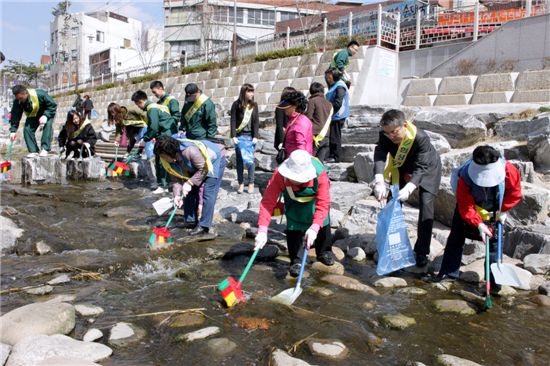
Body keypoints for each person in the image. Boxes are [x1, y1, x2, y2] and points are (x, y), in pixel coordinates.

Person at [431, 145, 522, 292]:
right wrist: (478, 224)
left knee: (494, 245)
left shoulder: (509, 171)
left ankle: (493, 284)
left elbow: (514, 193)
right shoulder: (465, 175)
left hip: (495, 211)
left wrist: (504, 210)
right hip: (469, 207)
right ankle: (448, 274)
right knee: (456, 239)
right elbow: (465, 205)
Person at [373, 109, 442, 267]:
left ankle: (422, 251)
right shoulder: (385, 134)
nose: (391, 136)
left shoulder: (421, 138)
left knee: (426, 206)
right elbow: (380, 153)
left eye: (394, 132)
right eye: (387, 133)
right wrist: (379, 179)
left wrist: (410, 187)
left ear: (404, 125)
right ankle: (391, 246)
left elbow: (421, 167)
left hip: (427, 169)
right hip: (401, 167)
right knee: (393, 202)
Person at [254, 149, 333, 277]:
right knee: (294, 226)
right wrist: (262, 230)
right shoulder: (279, 175)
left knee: (322, 223)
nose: (294, 180)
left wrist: (314, 227)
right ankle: (296, 260)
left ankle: (324, 252)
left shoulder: (320, 173)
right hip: (293, 201)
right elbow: (267, 203)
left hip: (314, 202)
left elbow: (323, 204)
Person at [154, 136, 226, 237]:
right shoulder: (167, 160)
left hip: (213, 158)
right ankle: (190, 220)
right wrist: (177, 196)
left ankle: (204, 226)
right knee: (188, 191)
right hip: (197, 164)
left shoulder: (189, 151)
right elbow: (175, 179)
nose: (161, 158)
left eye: (162, 155)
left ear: (170, 153)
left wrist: (190, 182)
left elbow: (204, 169)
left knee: (208, 192)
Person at [132, 90, 178, 194]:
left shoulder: (151, 109)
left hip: (164, 138)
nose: (138, 107)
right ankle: (169, 183)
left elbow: (153, 127)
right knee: (168, 160)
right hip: (169, 135)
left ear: (140, 101)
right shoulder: (157, 106)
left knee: (160, 161)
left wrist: (145, 139)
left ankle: (163, 185)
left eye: (137, 104)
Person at [9, 85, 57, 157]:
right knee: (27, 129)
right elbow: (15, 115)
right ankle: (33, 150)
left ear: (25, 93)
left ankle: (45, 149)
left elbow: (52, 105)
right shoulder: (18, 101)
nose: (20, 100)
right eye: (18, 98)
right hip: (33, 115)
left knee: (48, 127)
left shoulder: (40, 94)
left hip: (46, 113)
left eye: (21, 98)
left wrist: (46, 115)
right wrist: (13, 130)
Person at [230, 83, 259, 194]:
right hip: (239, 136)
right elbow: (232, 120)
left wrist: (256, 136)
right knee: (240, 161)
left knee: (250, 161)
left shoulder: (254, 105)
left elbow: (256, 122)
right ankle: (241, 183)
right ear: (243, 92)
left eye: (252, 91)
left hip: (250, 137)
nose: (251, 94)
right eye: (249, 91)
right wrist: (233, 136)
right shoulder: (236, 105)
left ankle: (251, 183)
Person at [276, 91, 313, 161]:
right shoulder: (293, 119)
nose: (284, 109)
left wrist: (299, 163)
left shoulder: (300, 122)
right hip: (291, 159)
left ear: (295, 106)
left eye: (286, 107)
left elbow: (301, 147)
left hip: (298, 163)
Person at [325, 68, 349, 163]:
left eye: (329, 77)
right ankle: (333, 155)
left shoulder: (340, 86)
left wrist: (330, 111)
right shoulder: (334, 85)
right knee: (333, 136)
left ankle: (336, 156)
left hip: (337, 115)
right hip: (334, 115)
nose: (327, 79)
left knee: (335, 137)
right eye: (327, 77)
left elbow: (338, 102)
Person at [305, 82, 333, 162]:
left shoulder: (312, 101)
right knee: (320, 164)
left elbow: (308, 118)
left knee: (309, 162)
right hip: (326, 136)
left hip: (315, 136)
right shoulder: (329, 104)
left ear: (311, 91)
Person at [274, 87, 296, 152]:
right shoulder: (280, 108)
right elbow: (279, 126)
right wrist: (281, 142)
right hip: (284, 138)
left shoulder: (293, 107)